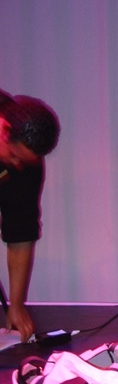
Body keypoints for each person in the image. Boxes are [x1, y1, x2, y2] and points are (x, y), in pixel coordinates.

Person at [0, 89, 60, 341]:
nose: (17, 164)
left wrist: (16, 304)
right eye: (14, 155)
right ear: (3, 130)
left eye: (24, 161)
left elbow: (21, 232)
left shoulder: (26, 167)